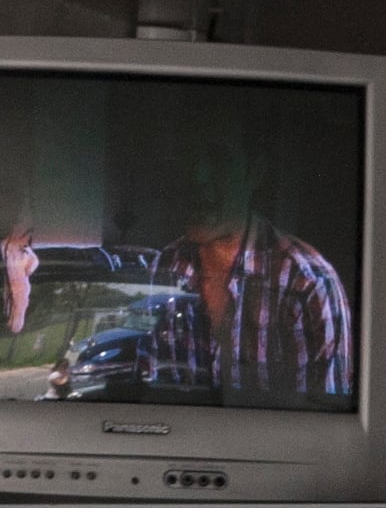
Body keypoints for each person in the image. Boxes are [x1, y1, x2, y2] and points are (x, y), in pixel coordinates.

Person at [135, 129, 354, 406]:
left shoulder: (308, 282)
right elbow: (147, 398)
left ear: (255, 173)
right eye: (188, 154)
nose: (197, 175)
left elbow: (325, 420)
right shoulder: (162, 268)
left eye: (218, 157)